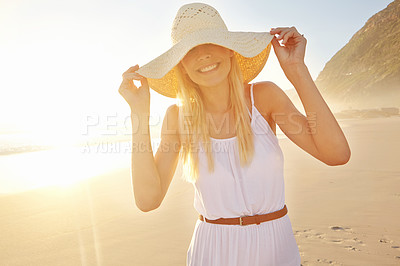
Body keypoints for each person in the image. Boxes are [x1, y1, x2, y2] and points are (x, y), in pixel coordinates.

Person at [118, 3, 351, 266]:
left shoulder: (265, 99)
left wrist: (297, 70)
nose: (204, 54)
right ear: (181, 65)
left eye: (212, 42)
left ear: (230, 50)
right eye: (190, 49)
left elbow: (337, 154)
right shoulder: (178, 118)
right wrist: (139, 114)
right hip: (212, 253)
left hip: (277, 251)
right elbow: (148, 200)